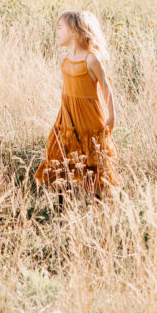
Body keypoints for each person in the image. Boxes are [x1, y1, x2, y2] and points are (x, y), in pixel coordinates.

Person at [35, 10, 119, 197]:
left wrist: (112, 115)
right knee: (60, 160)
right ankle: (62, 203)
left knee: (93, 166)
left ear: (74, 30)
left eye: (60, 28)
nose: (56, 32)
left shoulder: (91, 59)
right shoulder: (63, 59)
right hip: (67, 118)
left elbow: (106, 87)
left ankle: (98, 205)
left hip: (89, 119)